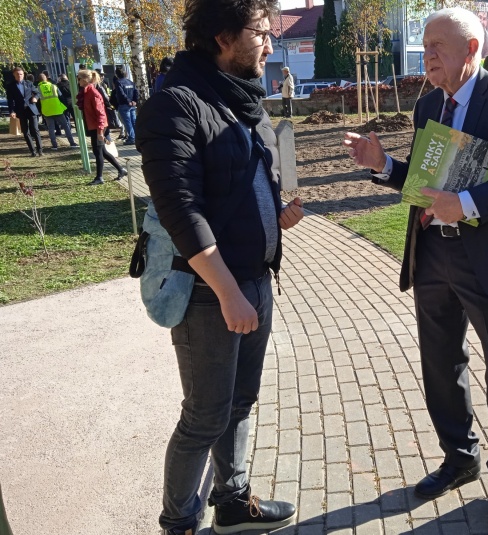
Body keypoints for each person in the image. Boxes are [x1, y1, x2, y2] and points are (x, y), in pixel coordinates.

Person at [343, 7, 488, 535]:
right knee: (439, 364)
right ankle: (460, 459)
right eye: (426, 44)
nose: (427, 54)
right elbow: (425, 181)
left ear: (472, 50)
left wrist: (468, 202)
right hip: (433, 254)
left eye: (439, 45)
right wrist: (384, 165)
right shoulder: (428, 104)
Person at [135, 0, 303, 533]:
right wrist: (229, 291)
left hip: (254, 281)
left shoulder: (241, 100)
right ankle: (180, 522)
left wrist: (276, 217)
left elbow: (236, 184)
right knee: (205, 416)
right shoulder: (174, 104)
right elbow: (181, 210)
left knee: (241, 402)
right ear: (223, 36)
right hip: (212, 294)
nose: (271, 44)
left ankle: (232, 503)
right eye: (262, 32)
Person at [76, 69, 127, 185]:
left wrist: (100, 132)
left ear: (84, 80)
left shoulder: (93, 93)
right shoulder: (86, 92)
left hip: (98, 126)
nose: (77, 81)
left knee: (98, 152)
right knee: (102, 151)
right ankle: (121, 170)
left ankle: (99, 177)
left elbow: (101, 114)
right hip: (94, 126)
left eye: (78, 78)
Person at [5, 67, 43, 157]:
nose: (19, 76)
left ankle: (40, 150)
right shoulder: (10, 86)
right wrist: (12, 111)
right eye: (17, 74)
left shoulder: (29, 83)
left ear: (23, 75)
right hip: (20, 111)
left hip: (31, 109)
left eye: (21, 74)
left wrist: (35, 98)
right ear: (14, 75)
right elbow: (10, 100)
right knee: (26, 132)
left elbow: (38, 93)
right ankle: (33, 151)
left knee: (35, 129)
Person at [37, 73, 78, 149]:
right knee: (66, 126)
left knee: (51, 128)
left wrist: (40, 111)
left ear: (38, 80)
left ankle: (54, 145)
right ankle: (72, 143)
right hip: (57, 109)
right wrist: (64, 107)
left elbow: (38, 102)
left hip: (47, 111)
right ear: (46, 78)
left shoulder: (38, 88)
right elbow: (61, 97)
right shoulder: (54, 86)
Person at [112, 67, 138, 145]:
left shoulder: (118, 82)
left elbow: (121, 93)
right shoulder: (130, 82)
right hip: (132, 105)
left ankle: (131, 138)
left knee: (127, 122)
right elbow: (136, 92)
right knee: (134, 121)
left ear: (117, 74)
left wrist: (128, 101)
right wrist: (134, 101)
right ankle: (137, 137)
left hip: (124, 105)